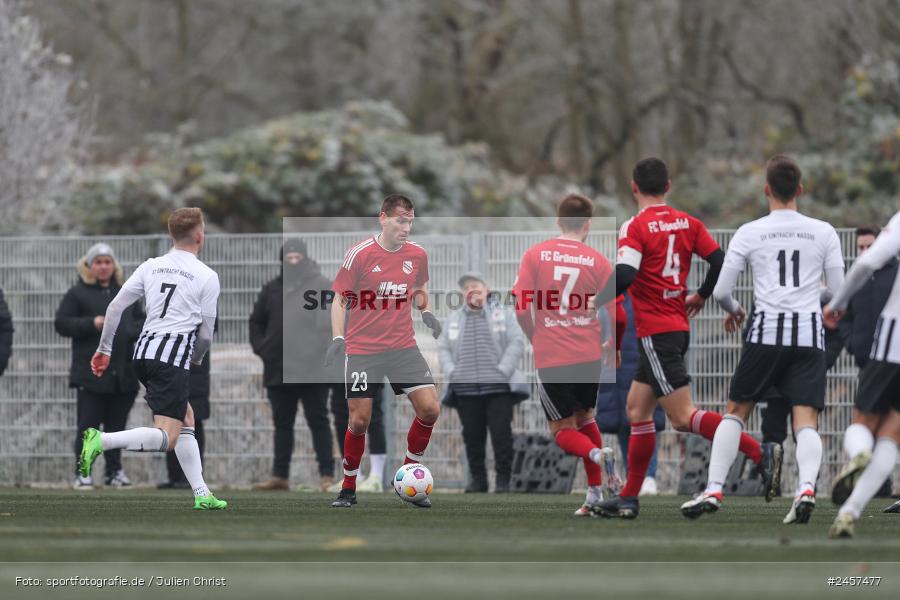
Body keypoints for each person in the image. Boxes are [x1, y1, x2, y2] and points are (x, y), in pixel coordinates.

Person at [592, 157, 775, 520]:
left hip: (657, 333)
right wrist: (703, 295)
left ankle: (758, 452)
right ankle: (629, 498)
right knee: (636, 409)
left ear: (634, 187)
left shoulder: (636, 225)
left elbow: (626, 274)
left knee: (682, 417)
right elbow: (719, 261)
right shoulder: (689, 222)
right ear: (668, 186)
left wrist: (593, 300)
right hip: (674, 327)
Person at [681, 155, 845, 525]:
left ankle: (715, 488)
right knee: (806, 421)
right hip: (807, 335)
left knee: (736, 412)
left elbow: (722, 290)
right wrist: (820, 300)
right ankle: (805, 488)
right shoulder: (823, 231)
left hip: (765, 333)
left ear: (766, 190)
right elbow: (837, 292)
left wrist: (735, 308)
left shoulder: (750, 231)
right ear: (800, 190)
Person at [80, 207, 226, 510]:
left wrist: (104, 350)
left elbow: (115, 308)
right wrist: (195, 359)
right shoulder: (206, 275)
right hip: (170, 359)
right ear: (200, 236)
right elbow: (207, 334)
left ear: (170, 235)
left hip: (143, 355)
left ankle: (202, 493)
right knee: (168, 438)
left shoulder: (151, 266)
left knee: (187, 419)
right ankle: (101, 441)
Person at [325, 194, 443, 508]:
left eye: (410, 221)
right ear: (383, 218)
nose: (406, 227)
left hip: (403, 346)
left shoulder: (417, 254)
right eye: (400, 220)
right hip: (364, 350)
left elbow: (418, 287)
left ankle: (407, 473)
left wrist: (426, 312)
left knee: (430, 409)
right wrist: (338, 338)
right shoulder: (360, 254)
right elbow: (338, 299)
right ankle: (348, 487)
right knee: (360, 420)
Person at [512, 193, 625, 516]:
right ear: (587, 225)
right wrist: (613, 345)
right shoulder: (598, 261)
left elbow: (521, 306)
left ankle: (595, 455)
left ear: (558, 221)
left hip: (554, 354)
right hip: (589, 354)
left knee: (562, 431)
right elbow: (617, 314)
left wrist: (535, 334)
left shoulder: (535, 255)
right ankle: (593, 494)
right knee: (586, 417)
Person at [825, 210, 900, 536]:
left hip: (893, 338)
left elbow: (868, 262)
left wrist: (837, 302)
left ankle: (859, 453)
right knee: (892, 435)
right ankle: (850, 510)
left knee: (863, 423)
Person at [249, 239, 336, 492]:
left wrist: (317, 351)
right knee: (282, 423)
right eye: (289, 255)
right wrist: (262, 348)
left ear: (305, 257)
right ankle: (280, 476)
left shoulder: (321, 286)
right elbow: (256, 322)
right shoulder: (271, 289)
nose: (294, 259)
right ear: (282, 259)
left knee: (318, 421)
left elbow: (329, 324)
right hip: (278, 369)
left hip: (313, 370)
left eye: (298, 255)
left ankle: (327, 475)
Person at [55, 243, 144, 489]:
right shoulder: (77, 294)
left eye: (107, 262)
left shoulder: (126, 293)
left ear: (114, 265)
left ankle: (114, 472)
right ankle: (83, 472)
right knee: (88, 427)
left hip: (123, 375)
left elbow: (141, 322)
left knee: (117, 429)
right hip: (91, 375)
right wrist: (90, 324)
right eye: (98, 262)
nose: (103, 266)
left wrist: (127, 330)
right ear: (90, 266)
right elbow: (62, 323)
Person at [438, 271, 528, 493]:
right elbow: (443, 348)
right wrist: (452, 372)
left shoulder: (503, 313)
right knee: (472, 437)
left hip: (498, 388)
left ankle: (503, 481)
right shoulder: (453, 319)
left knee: (501, 436)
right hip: (465, 389)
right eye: (466, 287)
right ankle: (478, 481)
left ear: (486, 289)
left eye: (475, 285)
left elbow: (517, 341)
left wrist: (503, 370)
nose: (471, 290)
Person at [595, 294, 665, 498]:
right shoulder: (609, 301)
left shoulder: (644, 296)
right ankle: (635, 477)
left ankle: (648, 476)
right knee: (624, 425)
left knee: (644, 420)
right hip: (615, 368)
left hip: (639, 365)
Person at [159, 328, 213, 489]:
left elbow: (206, 333)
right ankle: (174, 475)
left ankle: (192, 476)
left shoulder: (204, 303)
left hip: (194, 368)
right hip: (168, 363)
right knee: (169, 419)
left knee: (193, 422)